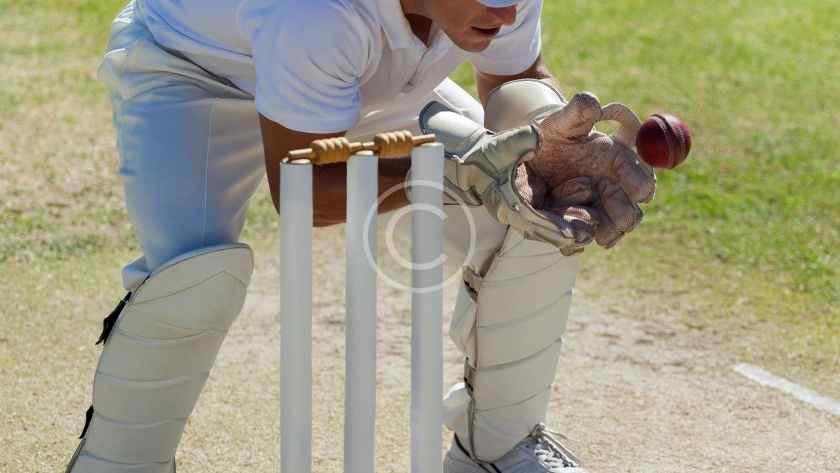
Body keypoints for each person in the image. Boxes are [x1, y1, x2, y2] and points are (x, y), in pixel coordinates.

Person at [65, 0, 655, 472]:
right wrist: (452, 173)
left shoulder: (494, 3)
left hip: (361, 81)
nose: (505, 12)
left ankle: (496, 450)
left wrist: (548, 144)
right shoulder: (316, 14)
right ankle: (119, 462)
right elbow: (303, 189)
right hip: (197, 75)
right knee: (193, 275)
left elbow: (514, 79)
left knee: (534, 206)